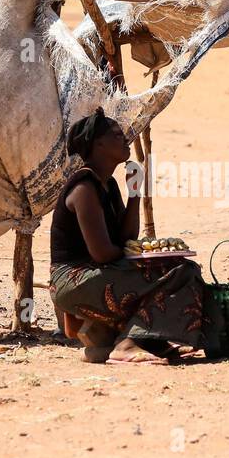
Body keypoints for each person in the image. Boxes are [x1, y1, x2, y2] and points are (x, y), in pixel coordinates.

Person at [49, 108, 210, 364]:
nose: (124, 139)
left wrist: (134, 193)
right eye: (116, 134)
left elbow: (125, 237)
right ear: (98, 144)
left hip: (100, 271)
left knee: (186, 269)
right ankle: (128, 344)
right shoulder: (84, 188)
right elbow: (102, 253)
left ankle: (150, 339)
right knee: (173, 272)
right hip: (74, 280)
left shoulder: (108, 185)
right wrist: (141, 257)